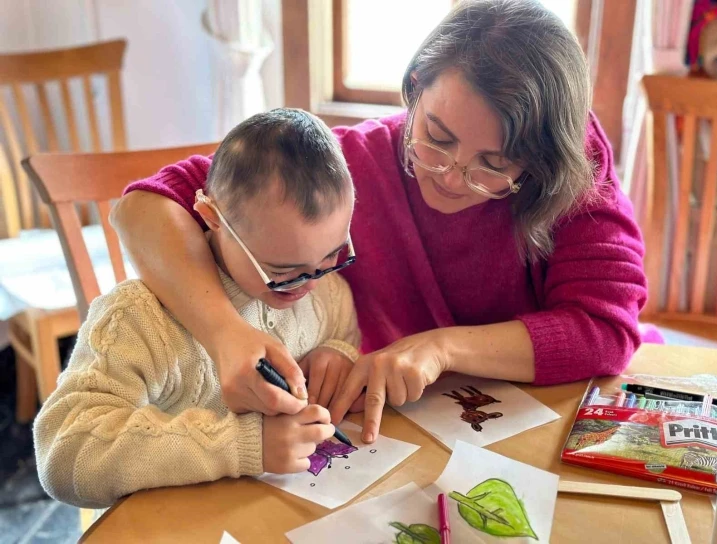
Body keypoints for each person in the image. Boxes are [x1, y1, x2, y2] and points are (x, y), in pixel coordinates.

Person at [111, 0, 648, 446]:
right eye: (436, 137)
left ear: (541, 161)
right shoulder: (351, 167)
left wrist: (442, 348)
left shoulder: (574, 171)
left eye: (495, 164)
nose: (453, 176)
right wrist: (226, 333)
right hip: (393, 432)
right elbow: (144, 205)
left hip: (528, 430)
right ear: (415, 90)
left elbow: (605, 329)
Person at [33, 109, 361, 508]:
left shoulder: (326, 292)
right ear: (211, 216)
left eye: (331, 257)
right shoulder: (140, 319)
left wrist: (338, 353)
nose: (310, 284)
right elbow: (64, 453)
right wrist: (242, 445)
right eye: (283, 271)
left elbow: (343, 328)